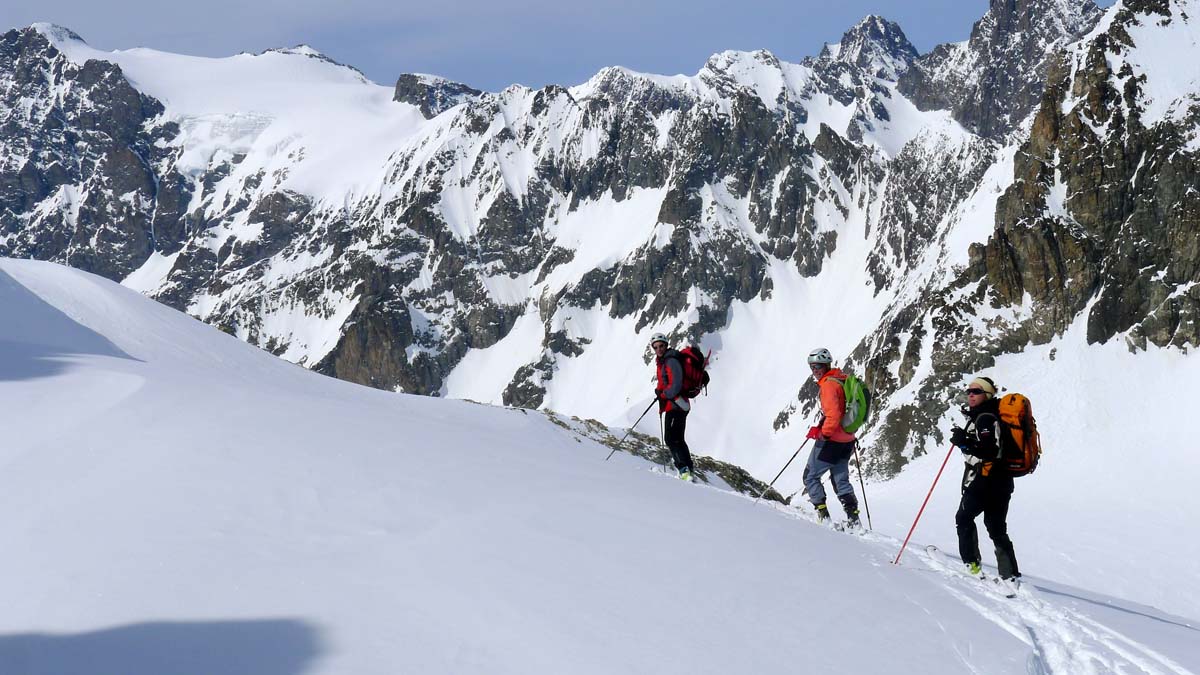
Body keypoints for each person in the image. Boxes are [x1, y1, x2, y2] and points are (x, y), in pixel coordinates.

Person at [950, 376, 1020, 581]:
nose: (971, 395)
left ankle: (971, 565)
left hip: (986, 479)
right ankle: (1010, 575)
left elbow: (990, 451)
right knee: (996, 526)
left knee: (963, 518)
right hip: (1003, 480)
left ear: (987, 394)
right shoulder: (992, 414)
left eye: (976, 391)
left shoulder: (985, 418)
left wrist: (963, 443)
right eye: (969, 391)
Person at [802, 348, 860, 525]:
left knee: (810, 476)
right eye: (812, 367)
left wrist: (823, 433)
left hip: (831, 441)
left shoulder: (828, 385)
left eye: (818, 366)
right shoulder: (842, 379)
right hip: (848, 439)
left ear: (826, 365)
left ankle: (823, 516)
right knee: (840, 479)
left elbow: (834, 414)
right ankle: (854, 519)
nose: (815, 371)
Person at [650, 333, 695, 481]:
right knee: (679, 438)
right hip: (678, 404)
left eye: (661, 346)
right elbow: (665, 382)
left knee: (670, 438)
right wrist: (659, 390)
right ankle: (689, 470)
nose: (659, 349)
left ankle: (683, 470)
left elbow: (675, 385)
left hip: (675, 404)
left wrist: (663, 394)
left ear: (666, 345)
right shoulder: (662, 361)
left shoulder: (670, 361)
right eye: (656, 347)